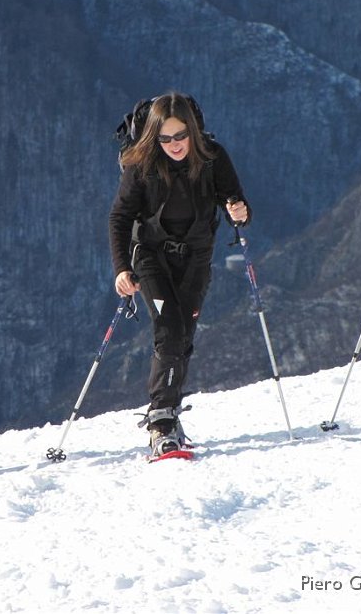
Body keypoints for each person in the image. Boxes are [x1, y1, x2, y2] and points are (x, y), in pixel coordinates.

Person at [109, 93, 250, 457]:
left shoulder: (212, 158)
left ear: (194, 131)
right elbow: (120, 218)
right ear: (153, 136)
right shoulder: (141, 166)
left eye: (181, 136)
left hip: (197, 257)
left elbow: (235, 200)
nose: (174, 145)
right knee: (169, 329)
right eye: (165, 138)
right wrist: (122, 268)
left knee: (183, 332)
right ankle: (161, 422)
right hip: (151, 256)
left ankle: (169, 413)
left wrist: (239, 211)